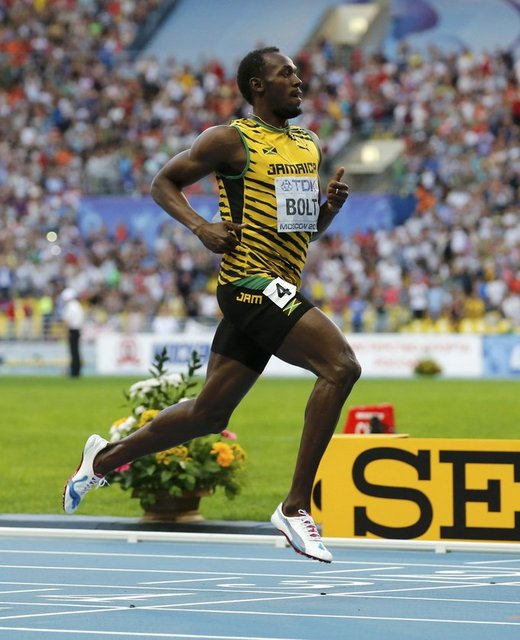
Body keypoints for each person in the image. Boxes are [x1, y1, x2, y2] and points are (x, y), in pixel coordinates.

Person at [63, 47, 361, 563]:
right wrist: (201, 227)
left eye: (297, 73)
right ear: (256, 86)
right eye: (285, 74)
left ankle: (102, 460)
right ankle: (295, 507)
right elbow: (163, 182)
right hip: (248, 282)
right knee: (341, 366)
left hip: (278, 282)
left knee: (208, 414)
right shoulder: (229, 139)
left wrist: (327, 211)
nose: (298, 81)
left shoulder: (308, 144)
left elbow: (303, 231)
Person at [60, 288, 85, 377]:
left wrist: (65, 333)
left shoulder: (70, 306)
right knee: (76, 351)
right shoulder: (78, 305)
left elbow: (66, 321)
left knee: (73, 352)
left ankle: (74, 371)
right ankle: (76, 370)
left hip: (72, 330)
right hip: (78, 330)